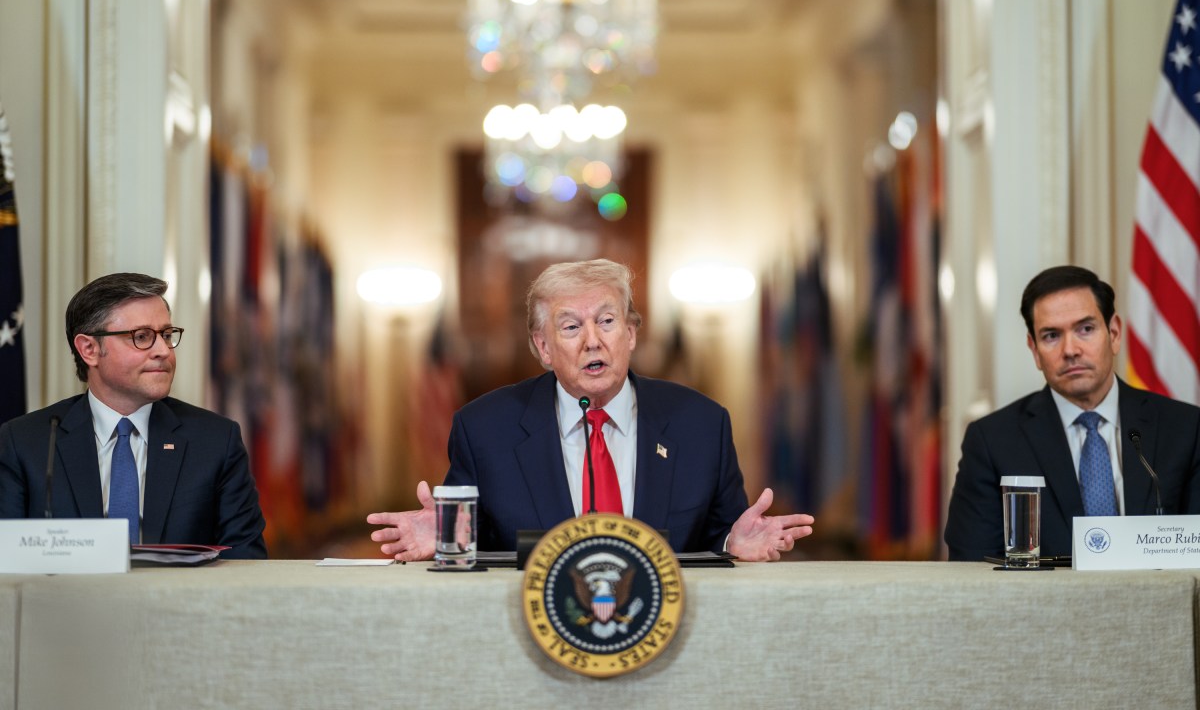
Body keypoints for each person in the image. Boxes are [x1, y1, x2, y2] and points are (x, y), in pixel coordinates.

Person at [369, 259, 814, 561]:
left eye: (606, 321)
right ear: (543, 347)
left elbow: (716, 535)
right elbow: (476, 545)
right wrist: (447, 538)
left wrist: (732, 542)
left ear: (631, 334)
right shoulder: (485, 429)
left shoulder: (701, 424)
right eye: (570, 327)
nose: (593, 341)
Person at [0, 273, 267, 558]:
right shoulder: (26, 443)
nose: (163, 351)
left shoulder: (215, 442)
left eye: (166, 335)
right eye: (142, 337)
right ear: (89, 349)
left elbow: (246, 563)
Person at [944, 265, 1200, 561]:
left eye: (1086, 329)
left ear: (1114, 333)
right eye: (1052, 335)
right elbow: (972, 567)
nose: (1071, 349)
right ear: (1034, 350)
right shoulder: (993, 442)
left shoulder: (1185, 430)